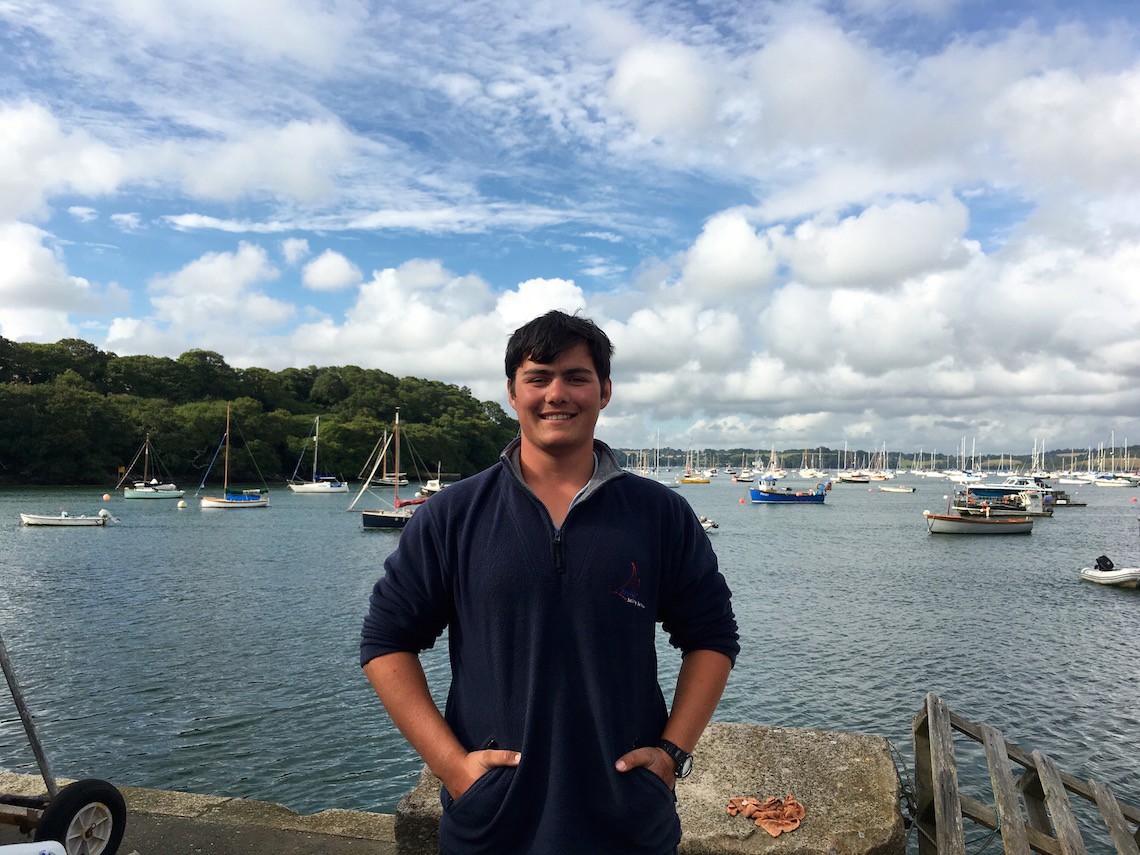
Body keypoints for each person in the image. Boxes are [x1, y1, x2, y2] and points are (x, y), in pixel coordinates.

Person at [360, 310, 738, 854]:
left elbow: (712, 637)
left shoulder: (660, 514)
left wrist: (671, 754)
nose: (556, 394)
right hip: (492, 822)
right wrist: (453, 768)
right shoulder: (452, 515)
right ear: (512, 393)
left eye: (576, 377)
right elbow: (386, 642)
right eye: (538, 378)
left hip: (628, 820)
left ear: (604, 391)